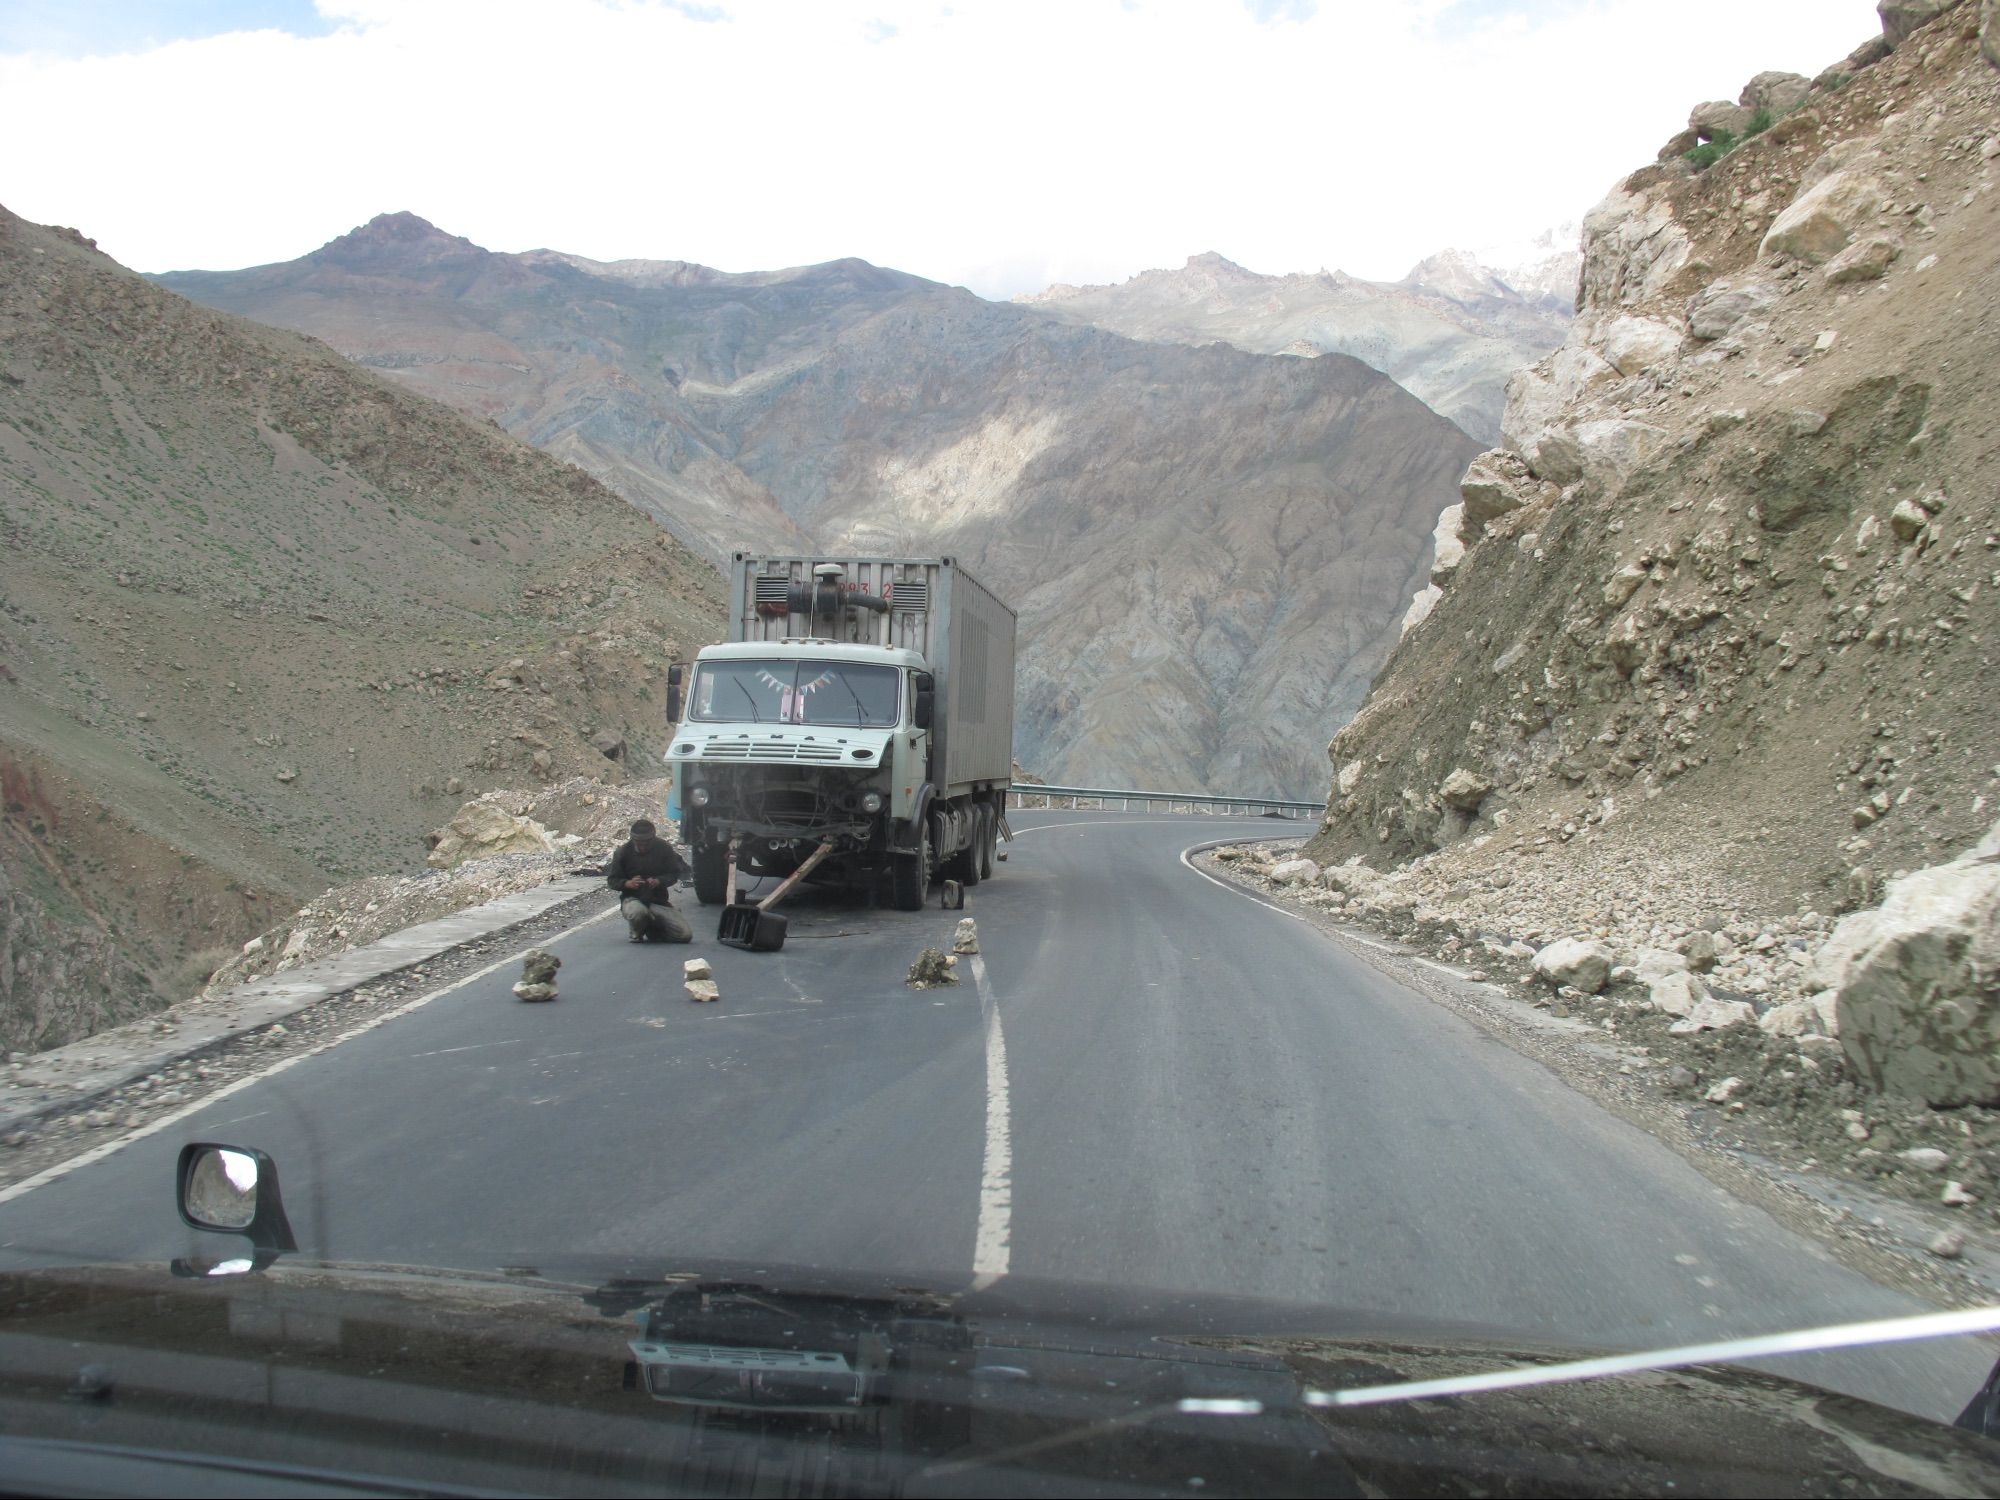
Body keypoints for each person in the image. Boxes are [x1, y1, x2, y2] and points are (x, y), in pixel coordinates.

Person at [605, 820, 693, 943]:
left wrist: (659, 881)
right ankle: (637, 931)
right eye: (639, 843)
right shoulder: (622, 852)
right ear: (633, 839)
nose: (643, 847)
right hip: (633, 900)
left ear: (653, 838)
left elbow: (673, 874)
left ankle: (654, 929)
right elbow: (612, 880)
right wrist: (627, 883)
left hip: (658, 901)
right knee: (638, 912)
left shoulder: (664, 848)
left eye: (647, 843)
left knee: (685, 935)